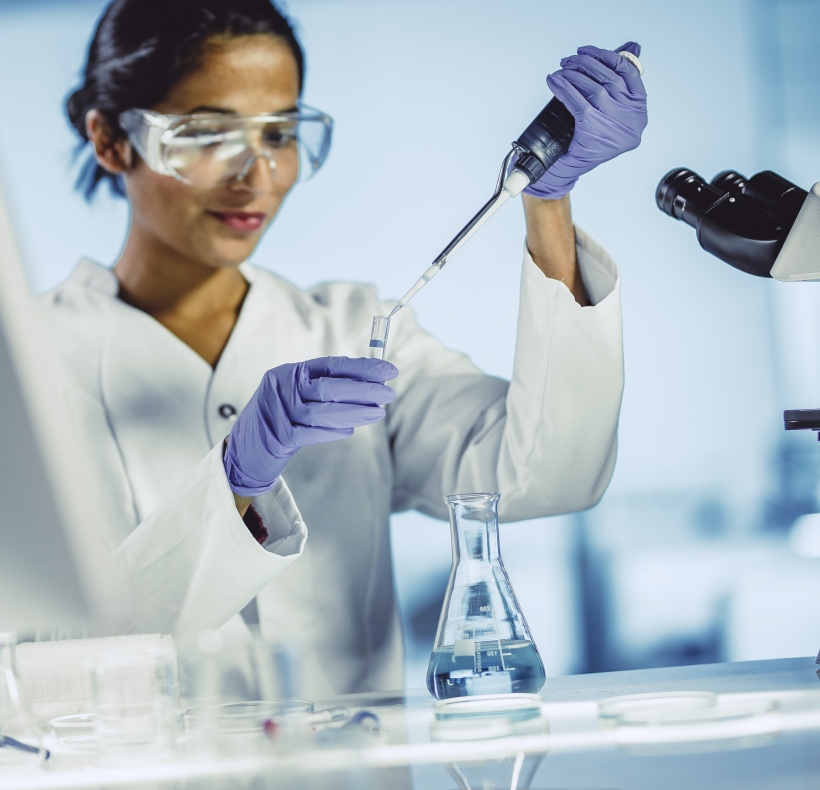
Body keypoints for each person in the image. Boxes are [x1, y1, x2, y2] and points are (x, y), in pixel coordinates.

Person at [44, 0, 645, 695]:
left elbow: (549, 475)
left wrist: (550, 196)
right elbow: (48, 671)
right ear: (112, 141)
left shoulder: (351, 332)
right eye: (208, 133)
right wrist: (234, 482)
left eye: (279, 133)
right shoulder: (28, 363)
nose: (257, 175)